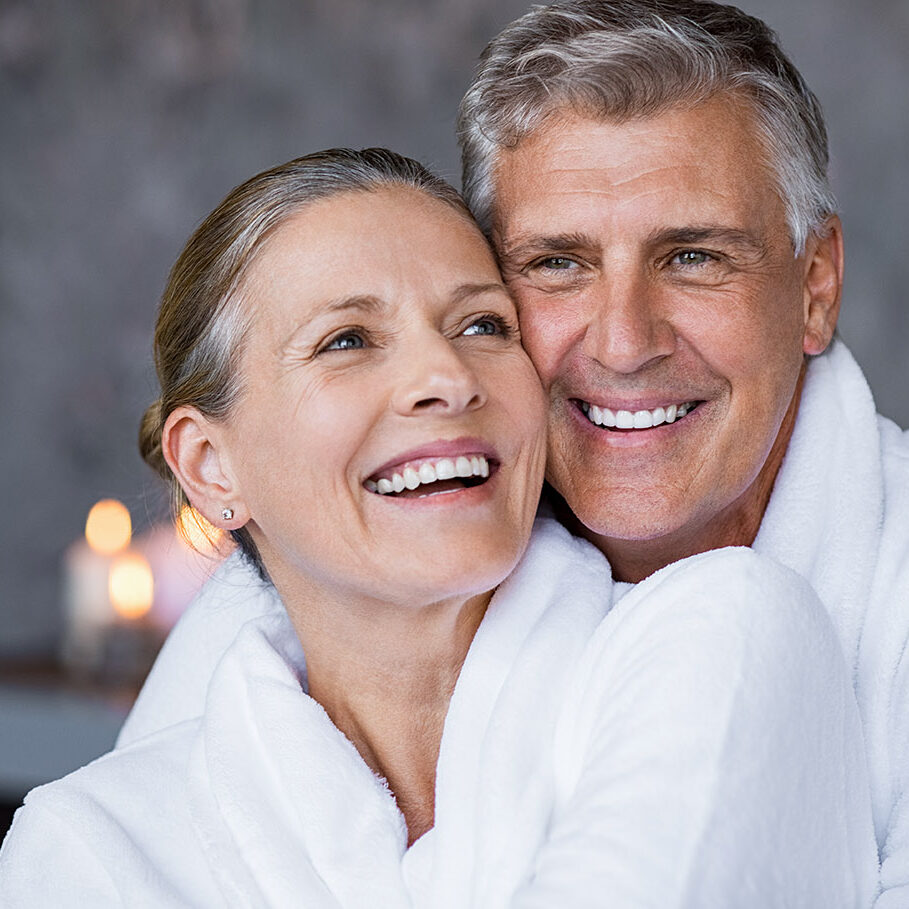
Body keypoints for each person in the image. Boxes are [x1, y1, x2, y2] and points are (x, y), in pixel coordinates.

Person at [109, 0, 907, 905]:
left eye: (691, 257)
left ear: (815, 284)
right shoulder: (296, 606)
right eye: (556, 264)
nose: (622, 342)